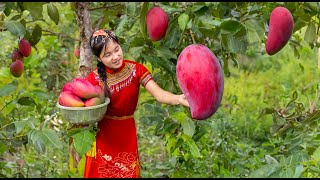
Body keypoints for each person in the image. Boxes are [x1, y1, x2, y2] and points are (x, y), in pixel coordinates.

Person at [82, 29, 189, 178]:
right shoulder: (93, 79)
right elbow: (79, 106)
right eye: (108, 55)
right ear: (99, 59)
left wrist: (178, 98)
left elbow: (159, 94)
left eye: (117, 49)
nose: (115, 56)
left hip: (127, 135)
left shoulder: (136, 70)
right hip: (103, 137)